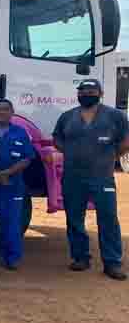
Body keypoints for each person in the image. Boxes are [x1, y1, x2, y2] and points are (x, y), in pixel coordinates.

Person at [53, 79, 128, 280]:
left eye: (91, 90)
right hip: (73, 177)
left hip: (102, 176)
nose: (87, 93)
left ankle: (112, 263)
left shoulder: (115, 116)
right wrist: (71, 152)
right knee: (74, 218)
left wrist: (111, 157)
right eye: (83, 90)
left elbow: (125, 140)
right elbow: (57, 139)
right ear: (78, 94)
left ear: (100, 93)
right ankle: (80, 258)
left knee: (108, 218)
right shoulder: (67, 117)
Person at [0, 99, 35, 271]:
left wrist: (6, 174)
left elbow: (27, 158)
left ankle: (12, 258)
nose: (2, 112)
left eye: (5, 109)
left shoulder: (21, 132)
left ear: (12, 112)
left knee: (12, 223)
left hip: (13, 185)